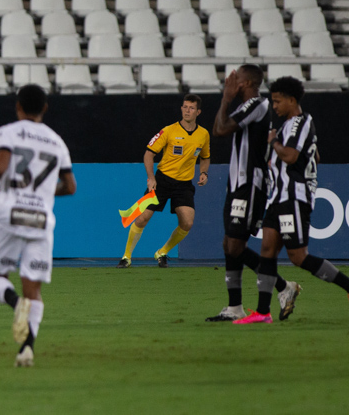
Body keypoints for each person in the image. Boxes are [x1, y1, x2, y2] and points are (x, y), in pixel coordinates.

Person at [235, 76, 349, 324]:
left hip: (293, 198)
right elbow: (314, 156)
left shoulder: (300, 121)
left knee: (298, 257)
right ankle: (262, 312)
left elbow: (290, 155)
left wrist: (273, 141)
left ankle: (347, 286)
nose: (274, 106)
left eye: (277, 101)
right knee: (267, 250)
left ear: (292, 100)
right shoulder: (290, 124)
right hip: (278, 197)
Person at [0, 85, 76, 367]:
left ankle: (14, 303)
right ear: (45, 108)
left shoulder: (7, 132)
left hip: (10, 212)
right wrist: (44, 192)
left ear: (18, 106)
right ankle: (27, 348)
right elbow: (70, 186)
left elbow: (1, 165)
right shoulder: (57, 142)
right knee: (33, 289)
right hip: (41, 218)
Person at [207, 65, 300, 322]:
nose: (230, 83)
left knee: (235, 245)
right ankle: (235, 307)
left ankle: (283, 287)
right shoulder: (244, 107)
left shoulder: (257, 104)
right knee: (230, 245)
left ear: (246, 83)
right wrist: (227, 101)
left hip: (250, 185)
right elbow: (218, 129)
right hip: (237, 184)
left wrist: (225, 99)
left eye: (234, 80)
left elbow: (222, 129)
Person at [117, 94, 210, 268]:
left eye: (191, 108)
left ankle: (162, 252)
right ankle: (126, 256)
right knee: (143, 217)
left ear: (198, 112)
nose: (187, 111)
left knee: (187, 223)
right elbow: (148, 154)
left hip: (183, 185)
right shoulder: (168, 131)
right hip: (162, 181)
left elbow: (205, 157)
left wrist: (204, 172)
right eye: (184, 107)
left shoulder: (203, 134)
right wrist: (151, 177)